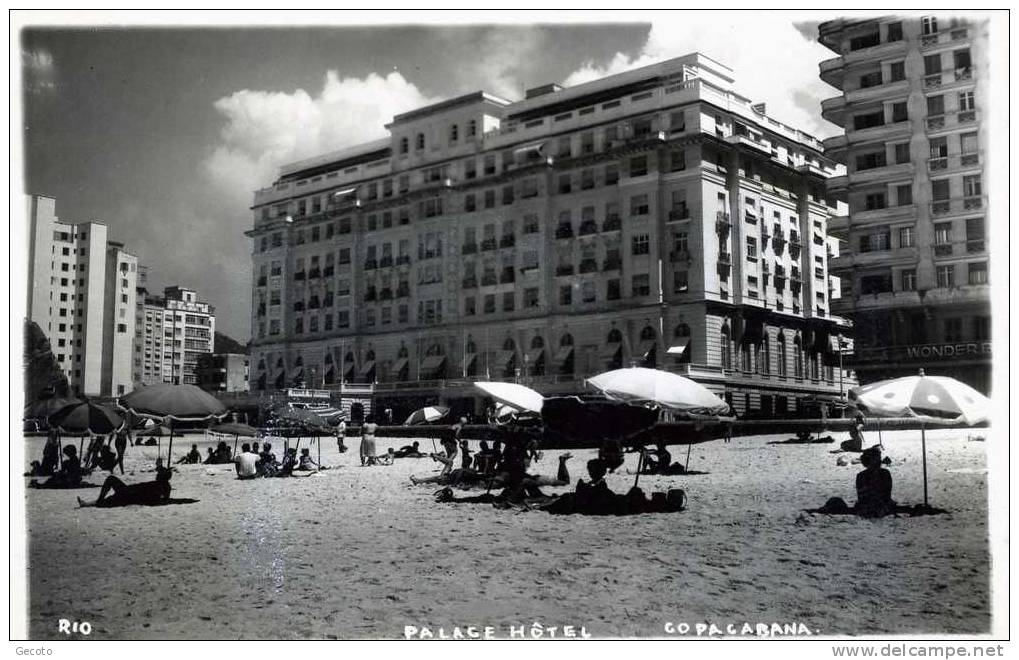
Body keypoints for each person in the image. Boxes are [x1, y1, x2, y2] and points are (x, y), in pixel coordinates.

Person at [77, 466, 173, 508]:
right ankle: (91, 503)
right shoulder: (160, 484)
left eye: (159, 474)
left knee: (111, 479)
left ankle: (96, 501)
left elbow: (162, 500)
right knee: (109, 496)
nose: (157, 475)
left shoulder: (162, 486)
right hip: (130, 492)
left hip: (131, 494)